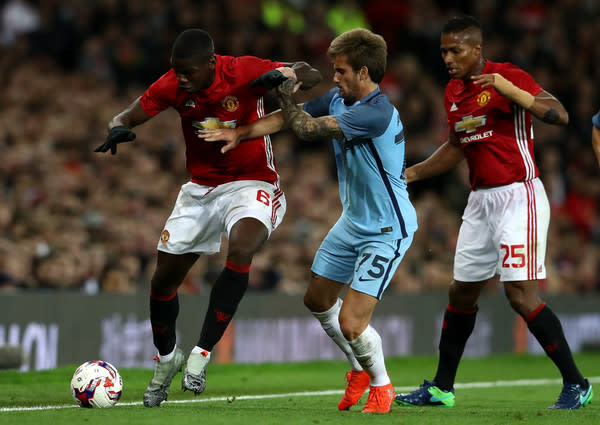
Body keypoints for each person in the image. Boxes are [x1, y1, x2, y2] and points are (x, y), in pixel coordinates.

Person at [95, 28, 322, 408]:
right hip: (200, 190)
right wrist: (117, 127)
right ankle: (168, 360)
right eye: (177, 72)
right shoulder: (173, 85)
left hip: (252, 181)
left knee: (243, 248)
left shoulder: (243, 69)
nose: (182, 79)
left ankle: (201, 354)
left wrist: (285, 76)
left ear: (211, 63)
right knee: (163, 280)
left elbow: (311, 73)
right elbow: (127, 114)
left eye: (189, 72)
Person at [200, 28, 417, 413]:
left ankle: (382, 386)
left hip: (387, 228)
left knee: (351, 323)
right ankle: (358, 369)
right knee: (317, 299)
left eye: (342, 71)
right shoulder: (339, 98)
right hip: (353, 222)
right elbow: (285, 120)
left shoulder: (375, 112)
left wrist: (285, 87)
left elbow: (304, 127)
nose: (335, 77)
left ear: (364, 73)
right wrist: (240, 132)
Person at [394, 15, 593, 410]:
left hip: (519, 195)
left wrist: (513, 93)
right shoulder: (453, 92)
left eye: (456, 50)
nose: (448, 58)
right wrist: (412, 172)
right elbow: (456, 145)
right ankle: (442, 388)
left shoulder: (507, 75)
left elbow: (561, 115)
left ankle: (577, 383)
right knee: (461, 291)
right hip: (480, 200)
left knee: (519, 294)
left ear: (477, 49)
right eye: (443, 51)